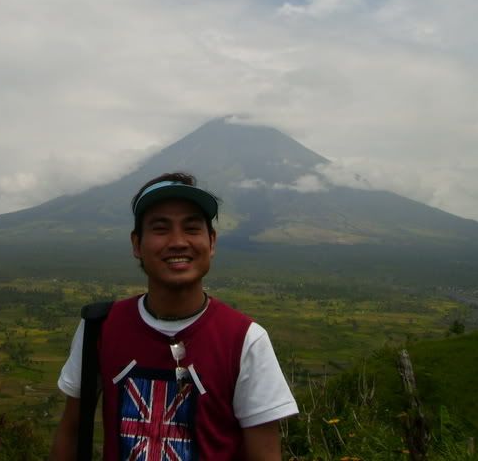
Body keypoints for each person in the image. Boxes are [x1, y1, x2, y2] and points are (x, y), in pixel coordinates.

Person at [50, 172, 298, 460]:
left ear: (212, 242)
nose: (178, 242)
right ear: (136, 244)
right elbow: (70, 432)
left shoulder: (245, 340)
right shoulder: (101, 327)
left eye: (192, 228)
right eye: (160, 228)